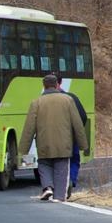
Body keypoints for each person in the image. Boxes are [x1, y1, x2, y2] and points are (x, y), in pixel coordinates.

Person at [19, 74, 89, 202]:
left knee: (44, 165)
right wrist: (83, 145)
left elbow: (29, 127)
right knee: (61, 167)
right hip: (64, 143)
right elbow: (77, 124)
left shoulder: (36, 102)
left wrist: (23, 149)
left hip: (44, 143)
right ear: (56, 84)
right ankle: (59, 196)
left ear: (44, 85)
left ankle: (47, 187)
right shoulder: (68, 100)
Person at [52, 71, 88, 194]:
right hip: (72, 136)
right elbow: (83, 116)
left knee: (57, 161)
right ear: (60, 82)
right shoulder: (72, 97)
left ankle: (57, 184)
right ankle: (71, 179)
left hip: (55, 137)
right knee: (73, 158)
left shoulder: (44, 99)